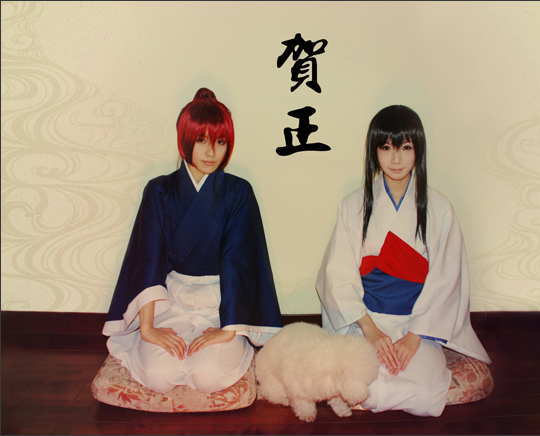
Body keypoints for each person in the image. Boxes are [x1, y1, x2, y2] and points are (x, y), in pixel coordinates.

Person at [102, 88, 282, 394]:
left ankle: (233, 343)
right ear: (185, 139)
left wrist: (227, 331)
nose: (211, 152)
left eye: (220, 142)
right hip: (169, 302)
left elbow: (238, 263)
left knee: (208, 375)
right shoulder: (159, 191)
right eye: (201, 140)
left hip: (221, 306)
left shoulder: (238, 192)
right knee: (159, 375)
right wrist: (148, 328)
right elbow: (149, 260)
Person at [316, 105, 491, 417]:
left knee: (426, 396)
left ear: (418, 151)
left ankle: (387, 384)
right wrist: (371, 331)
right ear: (374, 152)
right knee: (361, 382)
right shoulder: (353, 206)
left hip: (417, 322)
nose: (396, 159)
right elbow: (337, 277)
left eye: (405, 148)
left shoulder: (439, 208)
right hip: (366, 321)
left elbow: (446, 279)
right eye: (386, 148)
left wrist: (413, 338)